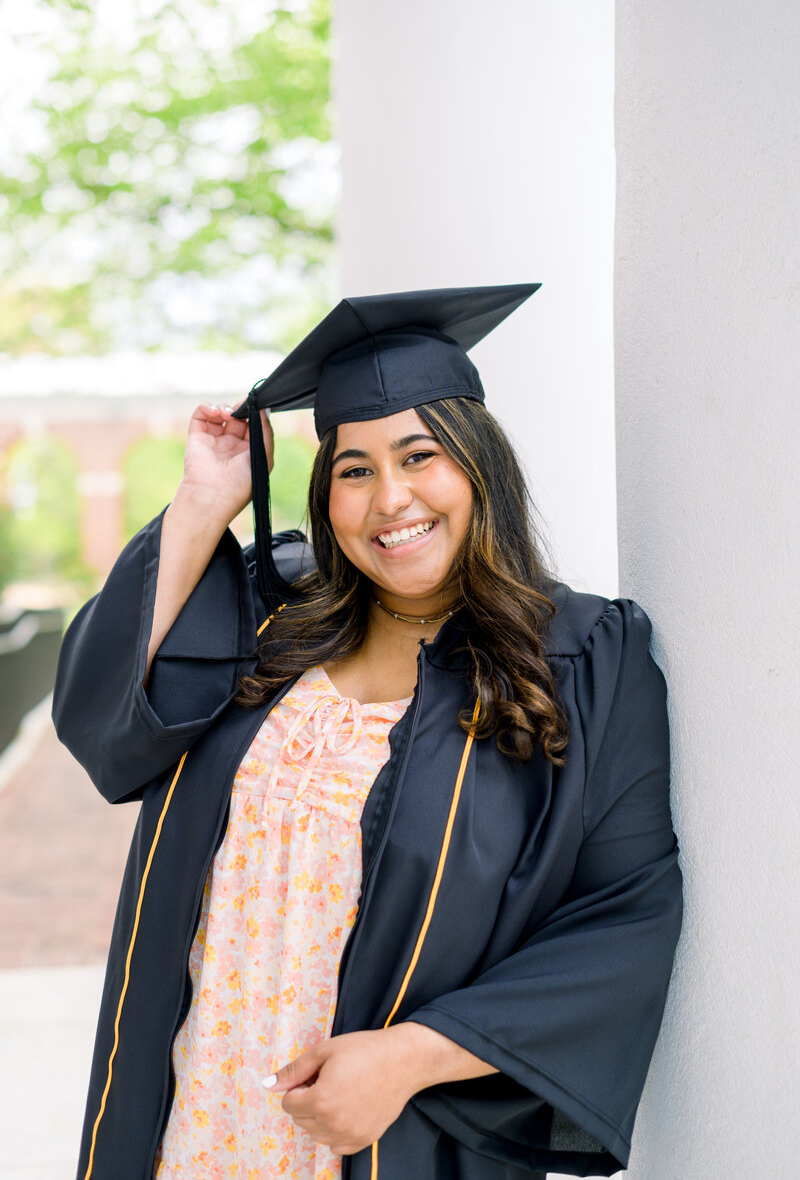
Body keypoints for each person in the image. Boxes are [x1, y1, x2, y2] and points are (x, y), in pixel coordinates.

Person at [53, 284, 682, 1180]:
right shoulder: (275, 623)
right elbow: (101, 725)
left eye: (420, 456)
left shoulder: (580, 661)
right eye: (355, 469)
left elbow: (626, 912)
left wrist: (411, 1057)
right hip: (187, 1132)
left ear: (479, 466)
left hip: (388, 1143)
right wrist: (206, 504)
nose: (391, 499)